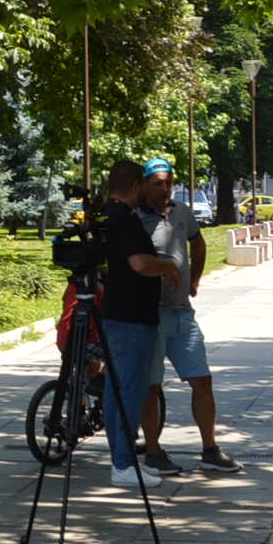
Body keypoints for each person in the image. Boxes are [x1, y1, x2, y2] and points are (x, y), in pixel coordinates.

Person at [135, 157, 238, 475]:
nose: (164, 189)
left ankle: (210, 449)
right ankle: (153, 452)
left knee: (202, 380)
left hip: (182, 313)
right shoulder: (136, 217)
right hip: (150, 314)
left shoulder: (182, 211)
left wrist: (194, 280)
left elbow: (199, 244)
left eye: (168, 183)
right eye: (157, 183)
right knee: (151, 386)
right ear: (145, 185)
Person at [86, 159, 174, 480]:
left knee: (116, 389)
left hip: (117, 314)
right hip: (132, 318)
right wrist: (169, 267)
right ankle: (123, 464)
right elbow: (140, 264)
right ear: (136, 185)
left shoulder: (106, 217)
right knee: (129, 391)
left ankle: (120, 461)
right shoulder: (124, 219)